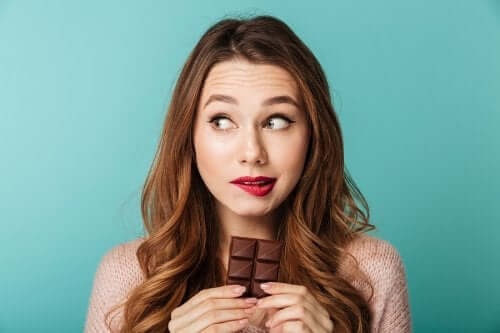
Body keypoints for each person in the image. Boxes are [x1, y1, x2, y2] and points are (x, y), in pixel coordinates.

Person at [84, 14, 411, 333]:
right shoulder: (129, 275)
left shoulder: (372, 271)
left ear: (314, 134)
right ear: (189, 136)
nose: (252, 152)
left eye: (277, 121)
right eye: (222, 121)